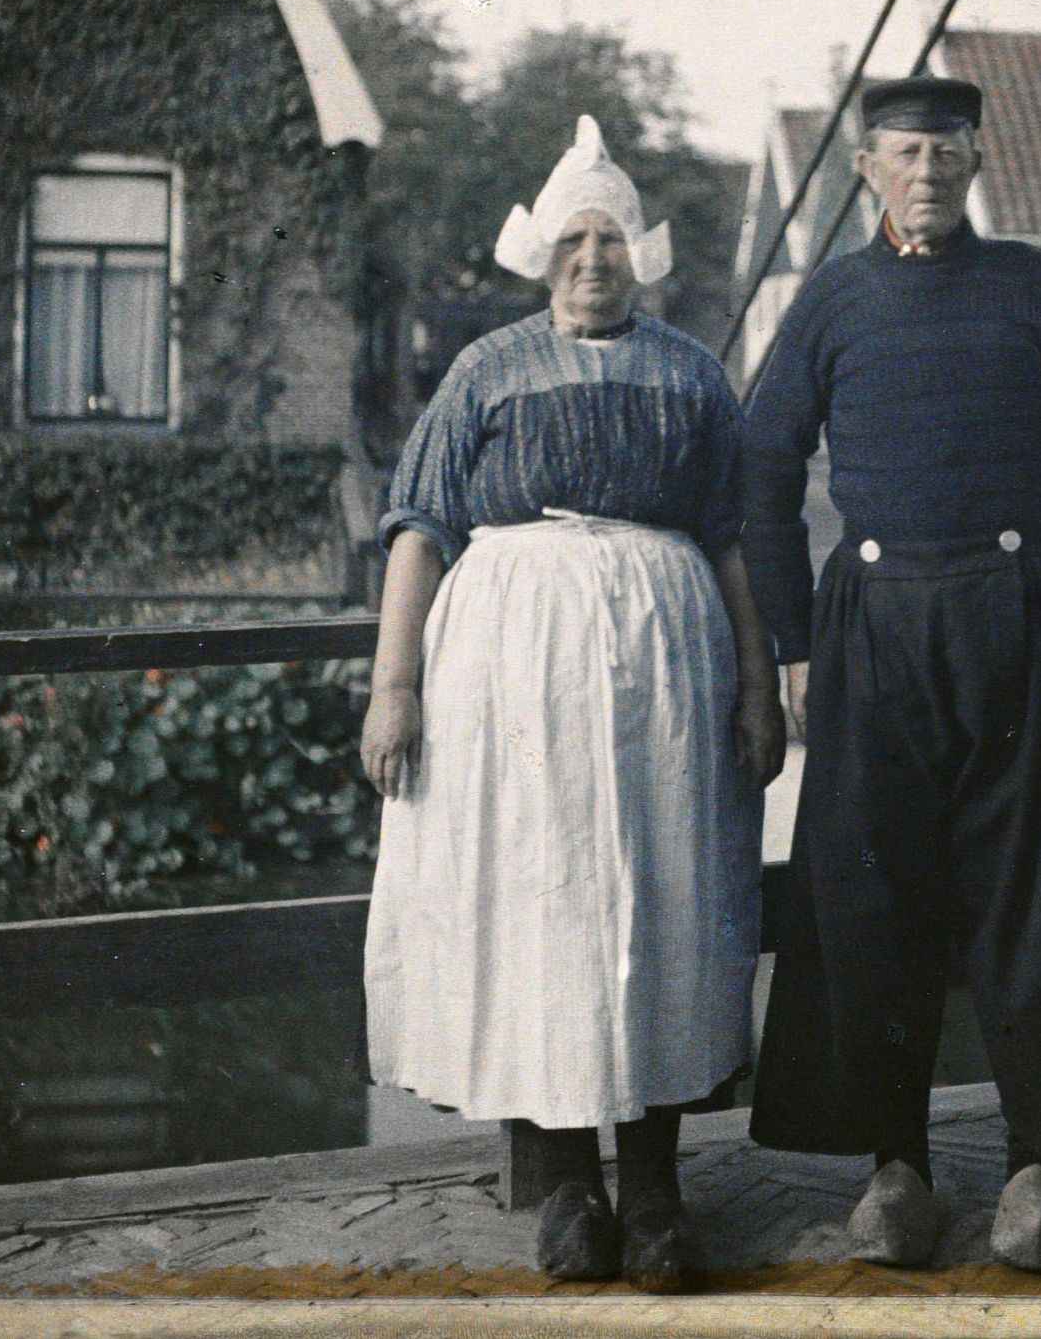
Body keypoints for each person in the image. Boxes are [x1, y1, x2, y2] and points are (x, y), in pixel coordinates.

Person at [359, 115, 785, 1290]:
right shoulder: (484, 370)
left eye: (608, 238)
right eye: (570, 241)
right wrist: (394, 686)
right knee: (539, 911)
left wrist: (758, 682)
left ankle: (654, 1197)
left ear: (638, 254)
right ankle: (567, 1193)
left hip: (666, 678)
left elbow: (732, 539)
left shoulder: (692, 373)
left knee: (664, 903)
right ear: (541, 256)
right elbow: (418, 530)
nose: (590, 258)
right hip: (513, 687)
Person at [741, 76, 1041, 1275]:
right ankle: (895, 1169)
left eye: (949, 151)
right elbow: (762, 465)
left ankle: (1036, 1172)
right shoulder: (833, 297)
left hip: (1030, 627)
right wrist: (795, 641)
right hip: (875, 637)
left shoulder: (1027, 285)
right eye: (906, 151)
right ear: (864, 167)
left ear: (976, 163)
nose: (928, 170)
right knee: (870, 902)